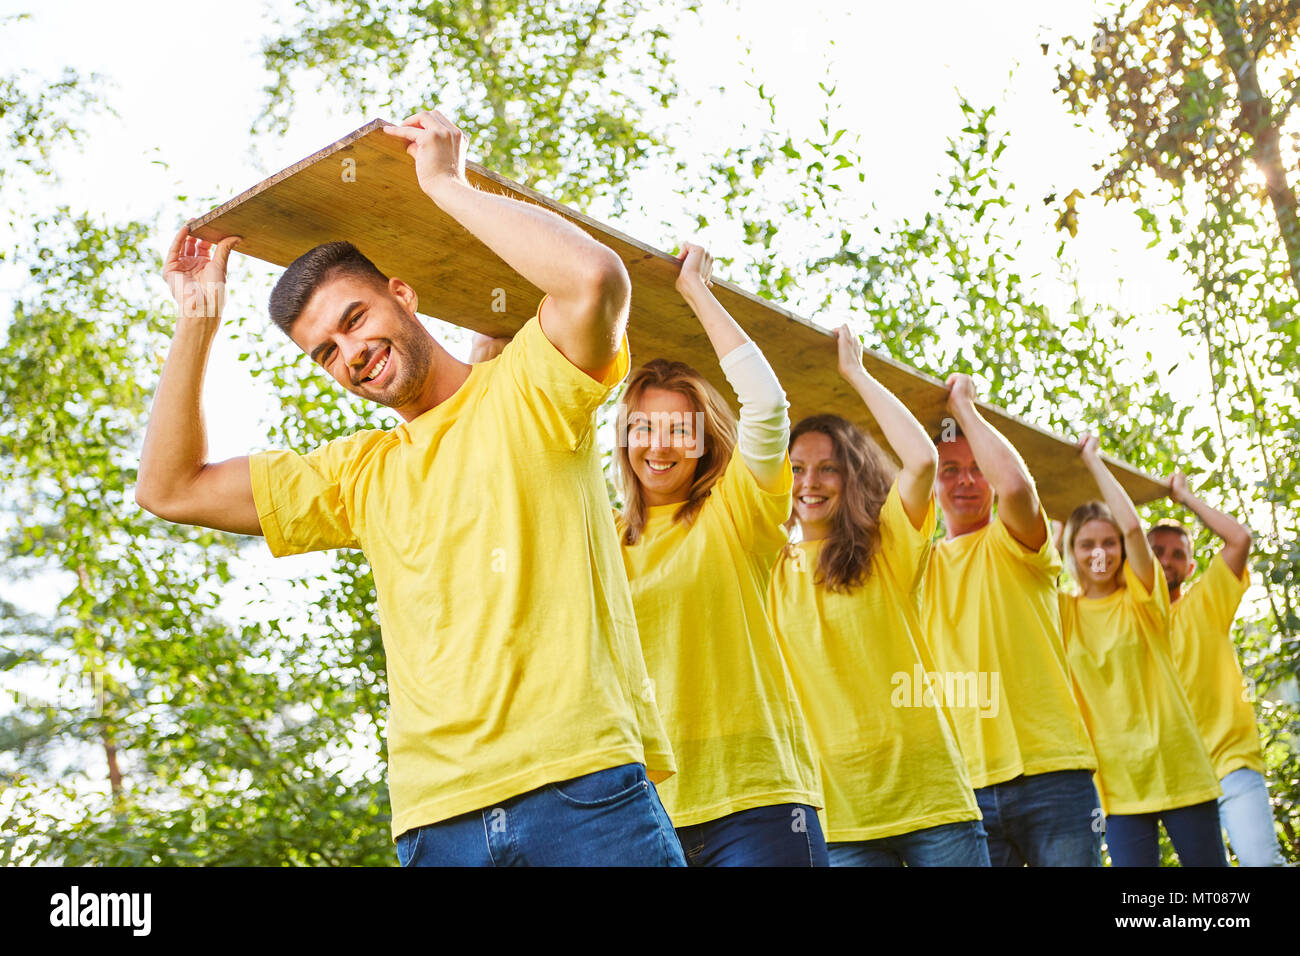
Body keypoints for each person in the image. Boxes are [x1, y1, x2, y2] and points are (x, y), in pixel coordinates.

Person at [136, 110, 684, 867]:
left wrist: (446, 185)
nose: (352, 354)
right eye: (326, 352)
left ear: (403, 293)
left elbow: (595, 280)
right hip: (437, 822)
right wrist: (196, 320)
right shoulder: (358, 474)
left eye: (356, 318)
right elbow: (171, 488)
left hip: (580, 790)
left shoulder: (528, 388)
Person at [614, 242, 825, 866]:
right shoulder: (604, 538)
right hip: (646, 811)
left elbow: (766, 407)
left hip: (758, 802)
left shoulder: (737, 511)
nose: (659, 445)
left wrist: (696, 292)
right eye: (643, 428)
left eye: (680, 429)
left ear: (705, 442)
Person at [767, 327, 988, 866]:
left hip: (931, 796)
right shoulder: (768, 568)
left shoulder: (887, 544)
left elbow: (921, 463)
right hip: (841, 817)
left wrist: (857, 374)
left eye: (828, 468)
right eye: (796, 469)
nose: (809, 482)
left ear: (853, 474)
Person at [921, 375, 1101, 866]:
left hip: (1054, 773)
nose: (965, 480)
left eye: (978, 469)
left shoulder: (1015, 541)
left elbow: (1018, 486)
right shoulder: (918, 565)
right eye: (950, 470)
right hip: (965, 783)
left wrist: (965, 409)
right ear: (932, 483)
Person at [1059, 436, 1226, 867]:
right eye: (1087, 544)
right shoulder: (1062, 612)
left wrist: (1093, 461)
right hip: (1117, 786)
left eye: (1108, 542)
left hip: (1179, 765)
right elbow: (1033, 547)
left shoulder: (1142, 597)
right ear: (1072, 552)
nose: (1100, 553)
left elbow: (1134, 527)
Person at [1149, 473, 1284, 866]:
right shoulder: (1130, 620)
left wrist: (1186, 498)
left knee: (1262, 863)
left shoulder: (1206, 601)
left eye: (1176, 554)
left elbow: (1239, 539)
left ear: (1191, 566)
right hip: (1180, 776)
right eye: (1156, 551)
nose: (1166, 561)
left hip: (1231, 762)